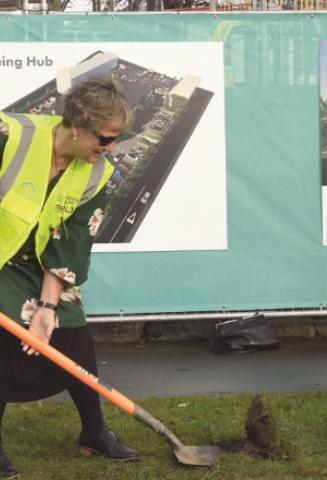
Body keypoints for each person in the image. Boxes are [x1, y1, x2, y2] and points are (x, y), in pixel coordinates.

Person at [0, 76, 139, 479]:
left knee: (72, 329)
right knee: (6, 339)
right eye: (105, 138)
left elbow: (70, 244)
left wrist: (47, 307)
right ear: (78, 124)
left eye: (116, 140)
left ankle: (93, 431)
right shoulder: (11, 136)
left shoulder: (96, 175)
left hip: (38, 263)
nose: (111, 148)